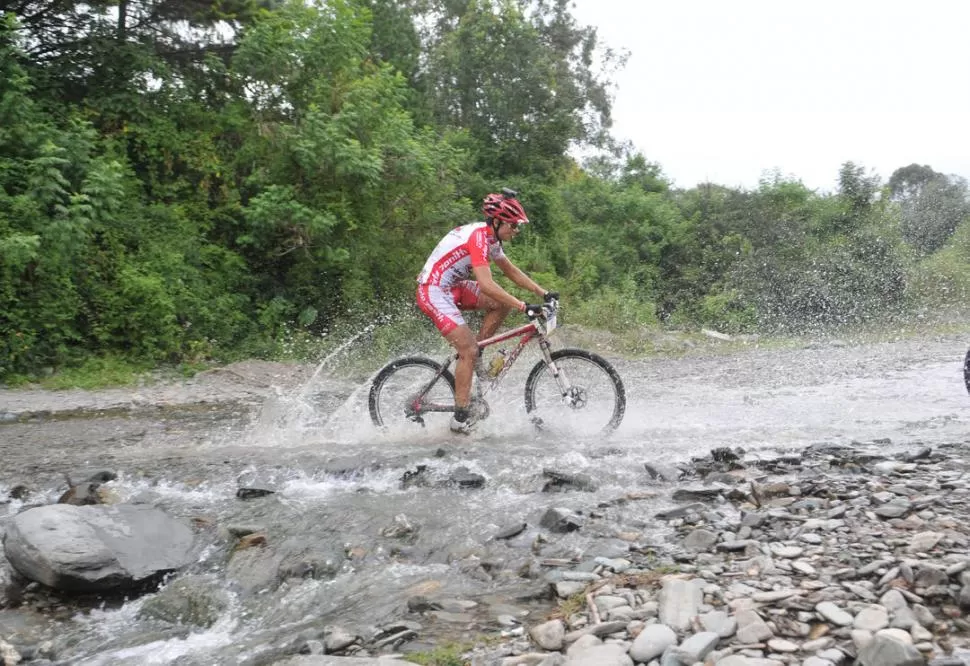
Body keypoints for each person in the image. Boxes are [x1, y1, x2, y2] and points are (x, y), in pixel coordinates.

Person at [416, 189, 557, 434]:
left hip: (453, 287)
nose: (516, 230)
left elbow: (511, 271)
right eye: (512, 225)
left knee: (498, 306)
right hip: (434, 290)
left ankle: (476, 353)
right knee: (467, 349)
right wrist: (524, 306)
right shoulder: (479, 238)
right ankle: (460, 418)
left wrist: (543, 293)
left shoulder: (491, 239)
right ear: (497, 221)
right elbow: (487, 285)